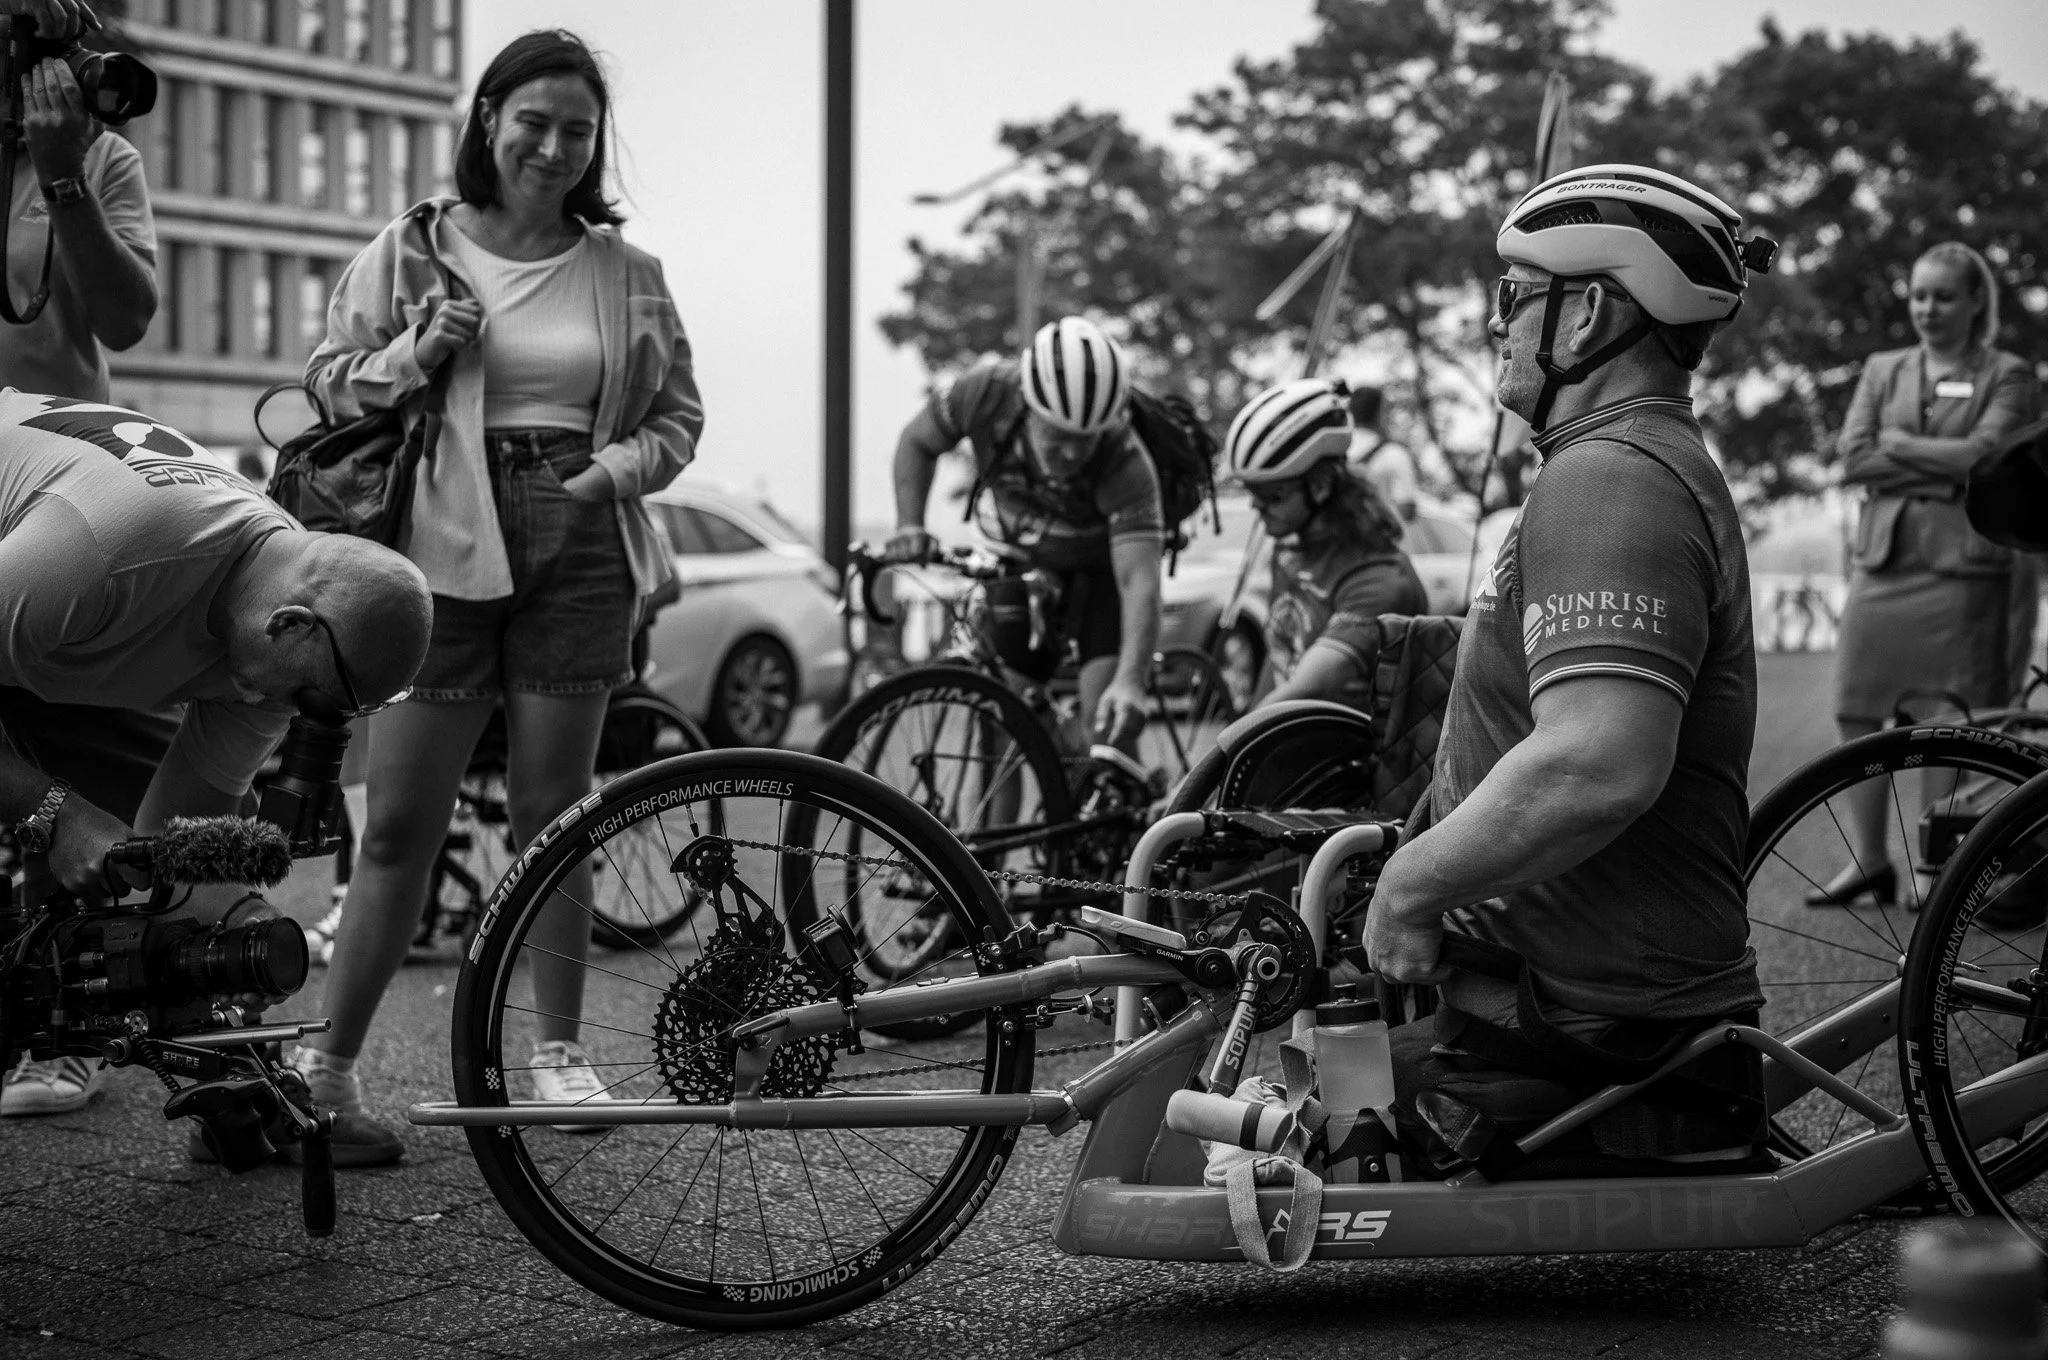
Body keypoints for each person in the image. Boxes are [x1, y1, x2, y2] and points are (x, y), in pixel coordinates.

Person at [298, 29, 702, 1166]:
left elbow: (676, 419)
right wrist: (418, 350)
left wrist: (603, 477)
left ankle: (560, 1060)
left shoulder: (627, 273)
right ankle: (325, 1070)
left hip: (579, 540)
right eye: (533, 121)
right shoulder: (414, 247)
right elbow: (329, 382)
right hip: (436, 546)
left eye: (577, 131)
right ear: (488, 119)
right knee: (399, 831)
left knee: (556, 815)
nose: (554, 147)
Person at [1365, 164, 1779, 1176]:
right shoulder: (1624, 461)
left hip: (1587, 1031)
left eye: (1513, 297)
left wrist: (1407, 889)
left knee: (1217, 1110)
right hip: (1574, 1000)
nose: (1495, 323)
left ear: (1588, 311)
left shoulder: (1608, 482)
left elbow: (1595, 763)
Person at [0, 388, 432, 1117]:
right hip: (37, 577)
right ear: (291, 625)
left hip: (49, 635)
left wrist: (228, 937)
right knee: (65, 817)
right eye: (311, 701)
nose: (298, 717)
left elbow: (172, 838)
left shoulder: (277, 614)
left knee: (137, 867)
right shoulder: (102, 553)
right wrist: (55, 811)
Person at [1808, 241, 2037, 908]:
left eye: (1942, 296)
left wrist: (1899, 446)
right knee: (1857, 707)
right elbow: (1853, 457)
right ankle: (1871, 862)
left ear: (1974, 303)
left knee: (1946, 718)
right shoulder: (1883, 367)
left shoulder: (2009, 373)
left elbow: (1987, 456)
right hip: (1883, 565)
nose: (1928, 308)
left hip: (1964, 570)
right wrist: (1941, 462)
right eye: (1919, 296)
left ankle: (1935, 866)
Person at [884, 315, 1163, 756]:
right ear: (1028, 405)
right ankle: (997, 823)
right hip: (1024, 558)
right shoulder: (984, 393)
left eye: (1084, 440)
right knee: (1002, 718)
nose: (1071, 453)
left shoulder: (1126, 460)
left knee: (1105, 720)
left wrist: (1130, 681)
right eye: (1058, 436)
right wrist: (910, 524)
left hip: (1101, 570)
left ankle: (1119, 814)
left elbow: (1139, 583)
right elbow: (917, 442)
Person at [1225, 377, 1426, 711]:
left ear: (1319, 486)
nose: (1256, 507)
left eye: (1271, 494)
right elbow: (1280, 658)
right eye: (1251, 492)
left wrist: (1224, 753)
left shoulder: (1379, 580)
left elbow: (1308, 689)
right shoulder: (1292, 547)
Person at [1345, 384, 1420, 522]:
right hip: (1372, 539)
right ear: (1379, 413)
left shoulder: (1335, 447)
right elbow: (1407, 511)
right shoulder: (1395, 454)